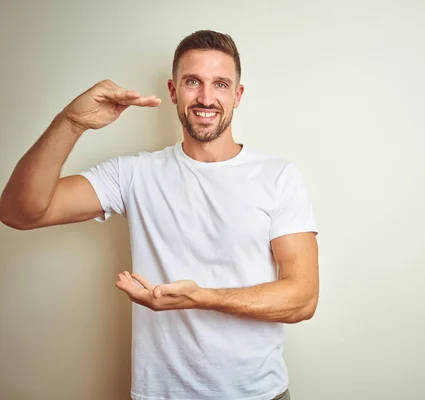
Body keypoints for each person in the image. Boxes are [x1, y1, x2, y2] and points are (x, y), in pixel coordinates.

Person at [0, 30, 319, 400]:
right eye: (192, 82)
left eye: (220, 84)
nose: (205, 97)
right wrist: (71, 122)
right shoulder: (134, 174)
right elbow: (18, 212)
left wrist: (202, 297)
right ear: (173, 90)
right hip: (160, 394)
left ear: (238, 95)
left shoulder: (278, 176)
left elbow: (302, 298)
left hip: (259, 394)